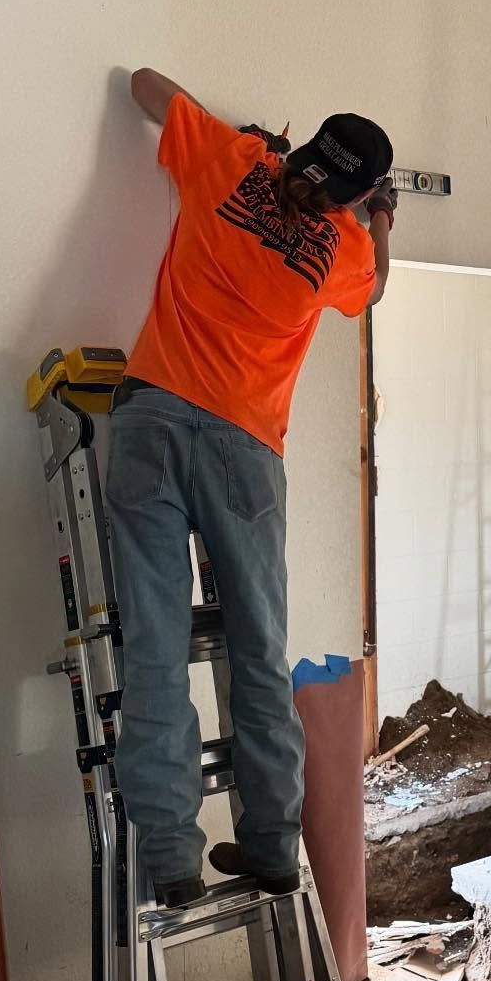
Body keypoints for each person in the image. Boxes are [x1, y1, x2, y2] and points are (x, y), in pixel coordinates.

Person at [107, 68, 395, 907]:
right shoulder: (344, 246)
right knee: (258, 653)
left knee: (156, 651)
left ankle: (169, 861)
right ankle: (270, 848)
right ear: (355, 195)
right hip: (244, 449)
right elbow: (375, 288)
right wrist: (379, 221)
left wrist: (246, 139)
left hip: (153, 422)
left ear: (299, 148)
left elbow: (141, 85)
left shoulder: (234, 163)